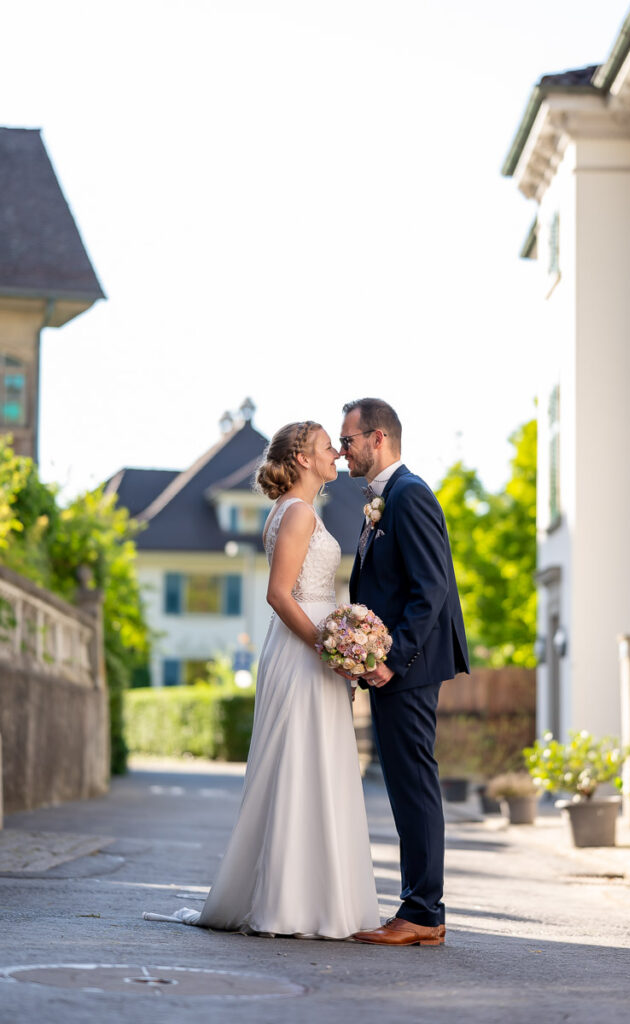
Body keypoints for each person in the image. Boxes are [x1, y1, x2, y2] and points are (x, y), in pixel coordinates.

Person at [144, 421, 379, 939]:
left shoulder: (297, 512)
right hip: (304, 651)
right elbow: (279, 594)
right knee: (300, 764)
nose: (336, 454)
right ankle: (291, 903)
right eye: (326, 448)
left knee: (313, 765)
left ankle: (312, 896)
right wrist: (330, 645)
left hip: (307, 646)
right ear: (301, 459)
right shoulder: (296, 514)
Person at [339, 398, 469, 947]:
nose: (342, 451)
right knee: (401, 783)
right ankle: (420, 908)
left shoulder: (409, 495)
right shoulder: (383, 499)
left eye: (348, 441)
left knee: (413, 784)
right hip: (394, 667)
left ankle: (423, 912)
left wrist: (391, 660)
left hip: (409, 668)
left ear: (378, 440)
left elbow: (430, 589)